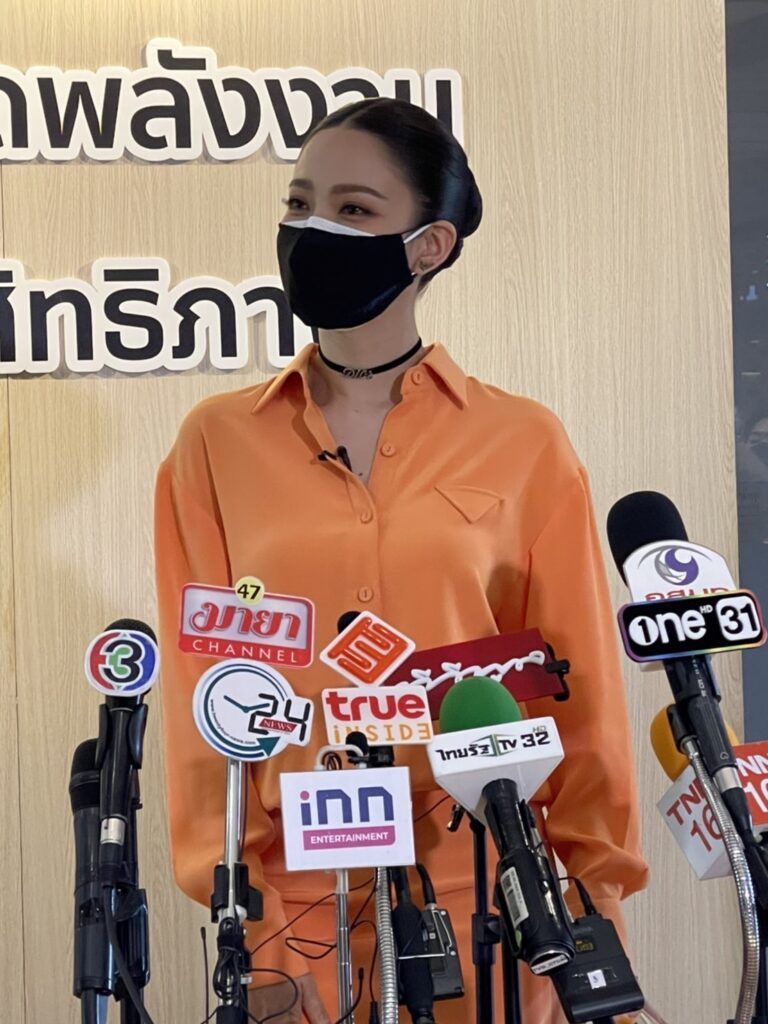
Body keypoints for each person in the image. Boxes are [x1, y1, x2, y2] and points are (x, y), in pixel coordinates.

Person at [154, 97, 649, 1024]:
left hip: (495, 901)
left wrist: (593, 902)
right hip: (296, 909)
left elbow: (577, 687)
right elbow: (202, 697)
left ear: (429, 245)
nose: (312, 229)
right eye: (299, 202)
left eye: (353, 209)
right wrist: (244, 912)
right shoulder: (215, 443)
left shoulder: (523, 443)